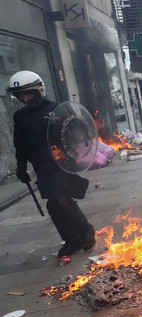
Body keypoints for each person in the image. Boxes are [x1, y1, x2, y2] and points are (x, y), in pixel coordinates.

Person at [8, 71, 96, 263]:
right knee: (53, 205)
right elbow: (20, 143)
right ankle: (71, 240)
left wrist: (75, 155)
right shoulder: (20, 116)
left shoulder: (57, 110)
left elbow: (76, 133)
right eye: (21, 95)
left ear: (39, 89)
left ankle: (85, 231)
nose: (25, 98)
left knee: (60, 199)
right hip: (41, 166)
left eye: (29, 93)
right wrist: (21, 166)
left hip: (61, 163)